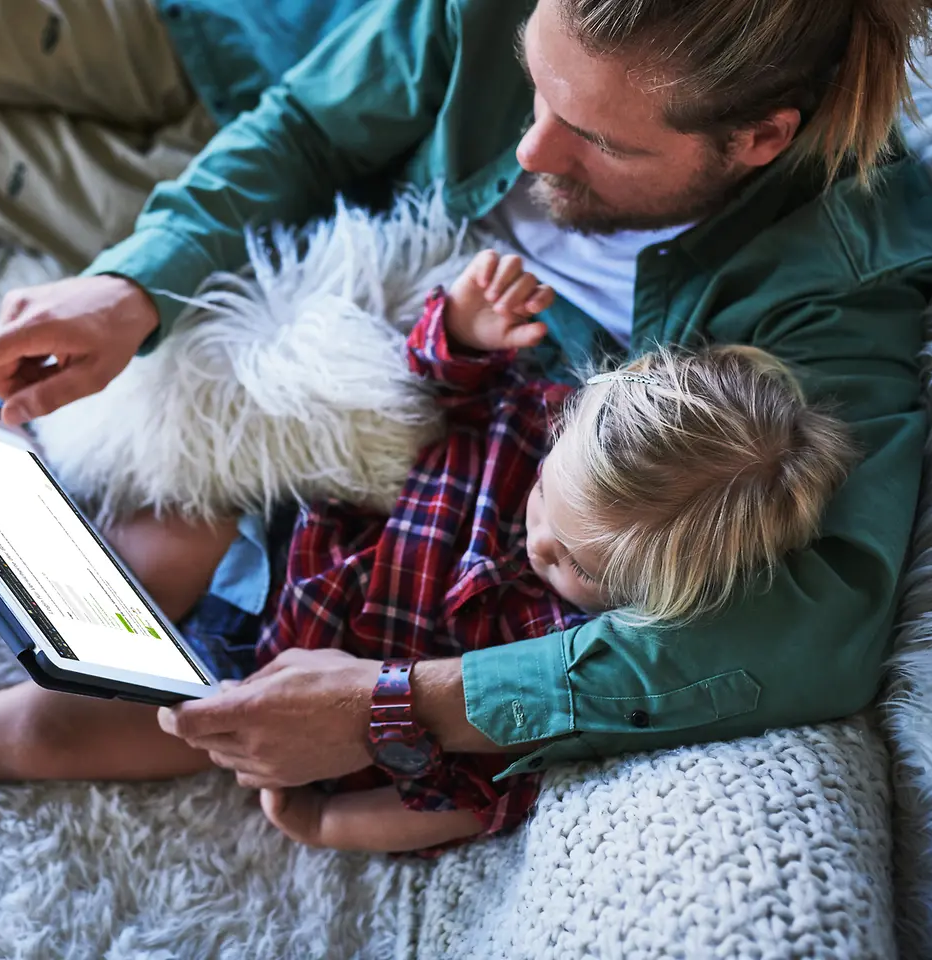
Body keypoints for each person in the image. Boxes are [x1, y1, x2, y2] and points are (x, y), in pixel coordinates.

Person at [0, 0, 932, 836]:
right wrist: (134, 285)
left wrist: (406, 703)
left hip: (366, 502)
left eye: (600, 140)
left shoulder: (839, 280)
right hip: (343, 324)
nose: (534, 155)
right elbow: (310, 126)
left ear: (761, 139)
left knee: (91, 681)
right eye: (534, 89)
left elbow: (815, 626)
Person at [248, 251, 856, 854]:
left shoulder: (558, 651)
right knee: (175, 528)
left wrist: (320, 822)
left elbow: (470, 805)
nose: (535, 541)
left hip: (275, 682)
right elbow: (436, 395)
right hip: (289, 533)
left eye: (577, 564)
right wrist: (463, 332)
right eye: (543, 490)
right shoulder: (528, 419)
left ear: (649, 600)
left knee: (167, 727)